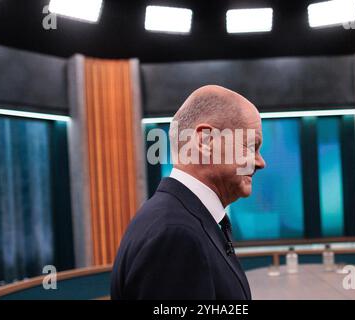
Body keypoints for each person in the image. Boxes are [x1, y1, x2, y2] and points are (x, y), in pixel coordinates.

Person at [111, 85, 266, 299]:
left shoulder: (177, 219)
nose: (260, 162)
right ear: (205, 141)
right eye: (250, 146)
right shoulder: (176, 234)